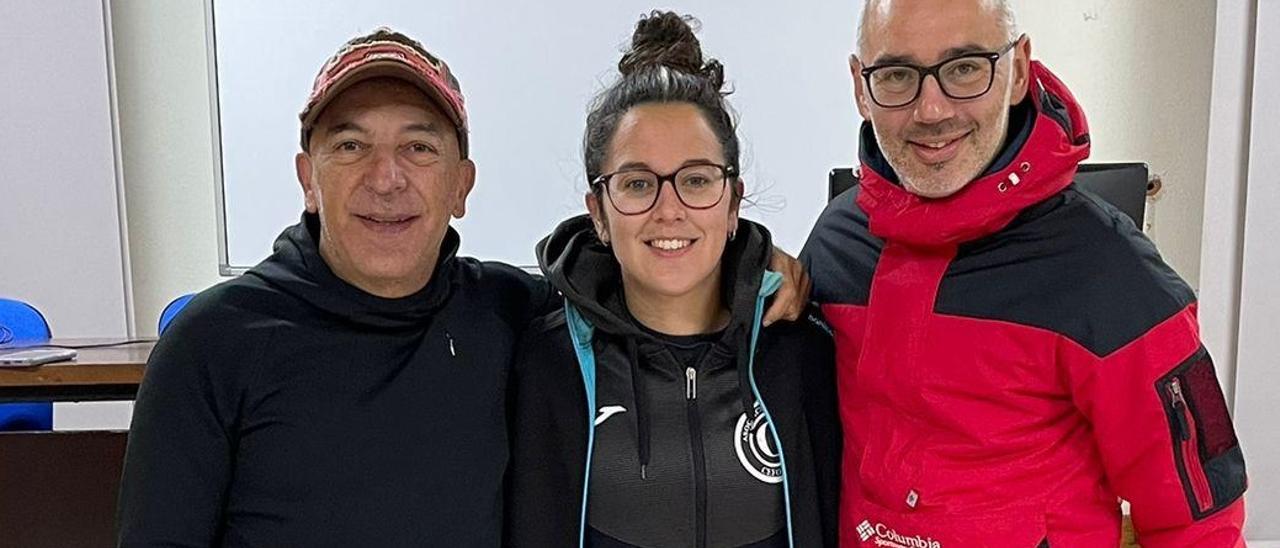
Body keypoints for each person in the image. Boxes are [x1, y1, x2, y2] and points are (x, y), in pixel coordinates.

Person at [117, 28, 809, 547]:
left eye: (419, 147)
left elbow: (646, 281)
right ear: (307, 176)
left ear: (461, 186)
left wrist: (750, 259)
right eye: (351, 145)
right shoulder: (211, 345)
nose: (386, 178)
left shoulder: (506, 314)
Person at [801, 1, 1247, 546]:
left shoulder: (1113, 273)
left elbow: (1200, 519)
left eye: (965, 67)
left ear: (1017, 70)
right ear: (859, 87)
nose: (932, 109)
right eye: (897, 75)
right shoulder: (835, 244)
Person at [505, 12, 840, 548]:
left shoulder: (801, 356)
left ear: (733, 204)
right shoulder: (546, 363)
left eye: (696, 180)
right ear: (599, 212)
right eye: (638, 183)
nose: (669, 210)